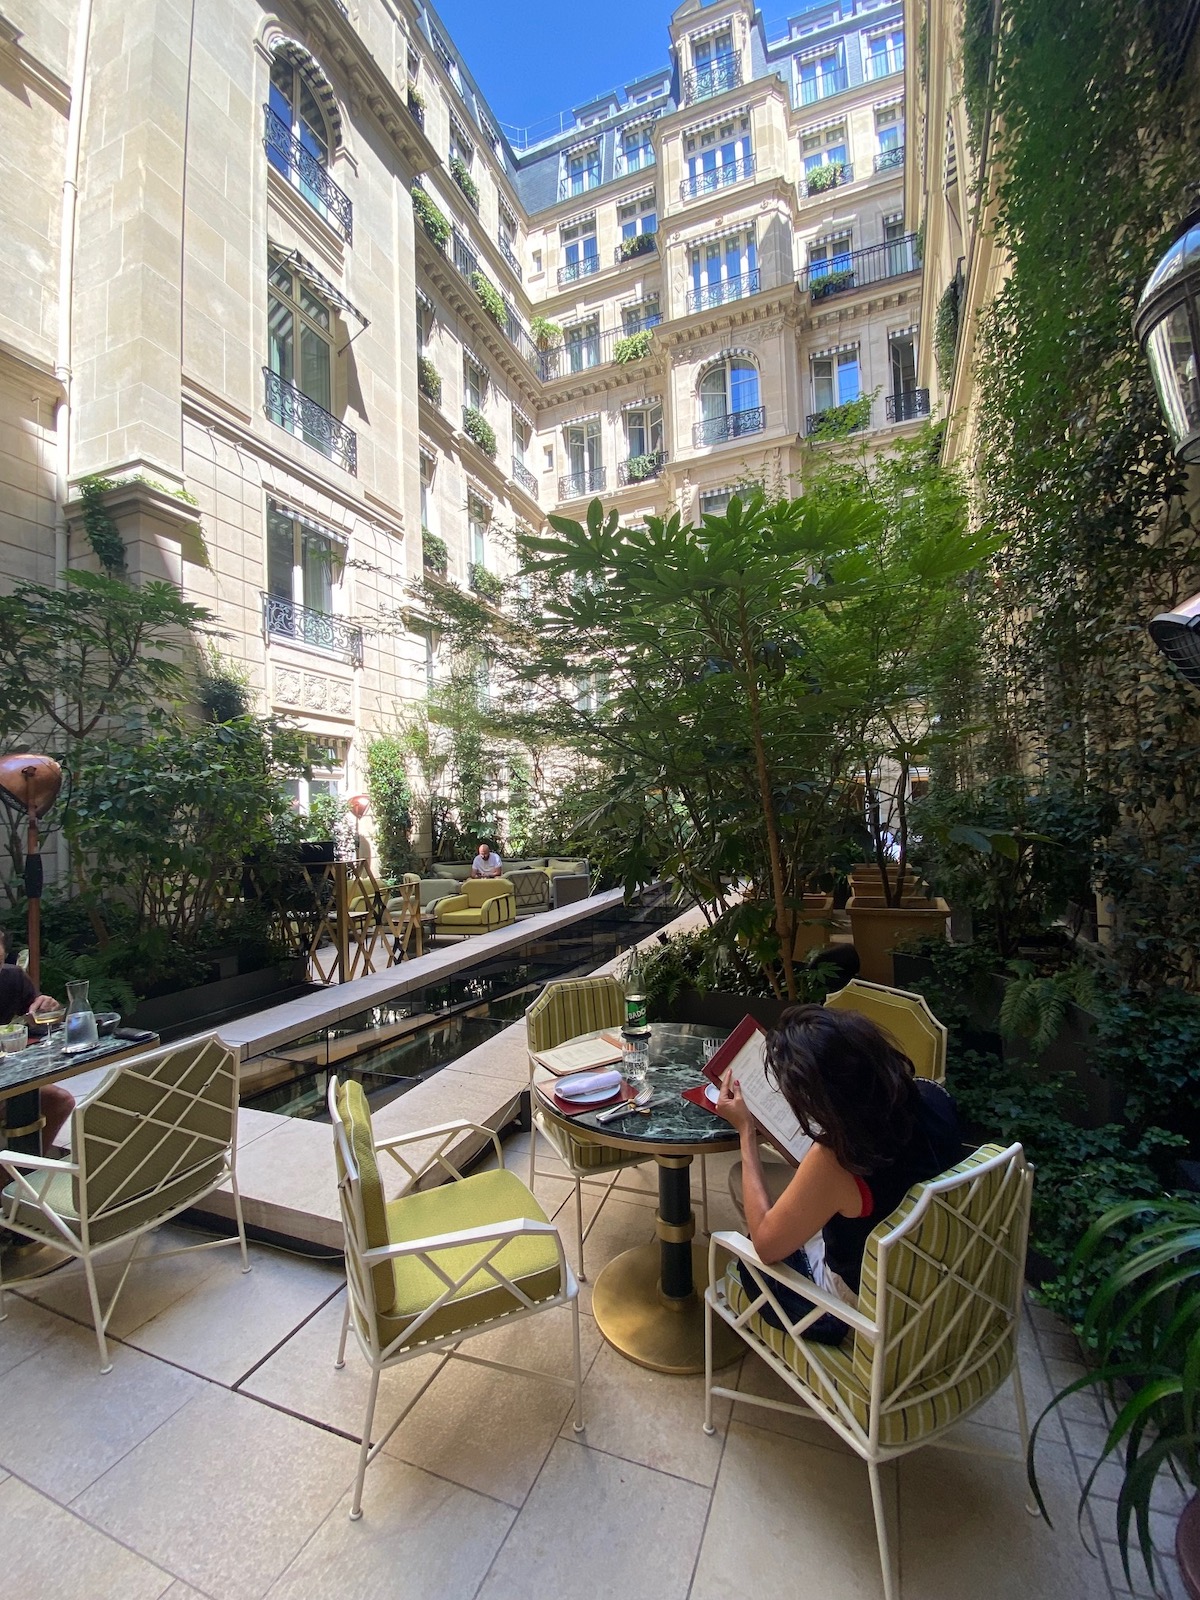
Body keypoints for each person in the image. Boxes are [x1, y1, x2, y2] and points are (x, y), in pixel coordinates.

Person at [716, 1003, 960, 1343]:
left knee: (754, 1250)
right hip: (926, 1266)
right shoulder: (931, 1095)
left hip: (861, 1301)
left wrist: (746, 1131)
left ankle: (828, 1324)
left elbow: (766, 1246)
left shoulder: (838, 1159)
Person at [0, 930, 73, 1153]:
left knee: (59, 1101)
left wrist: (48, 1008)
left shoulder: (11, 978)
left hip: (7, 1080)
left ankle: (13, 1180)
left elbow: (38, 1020)